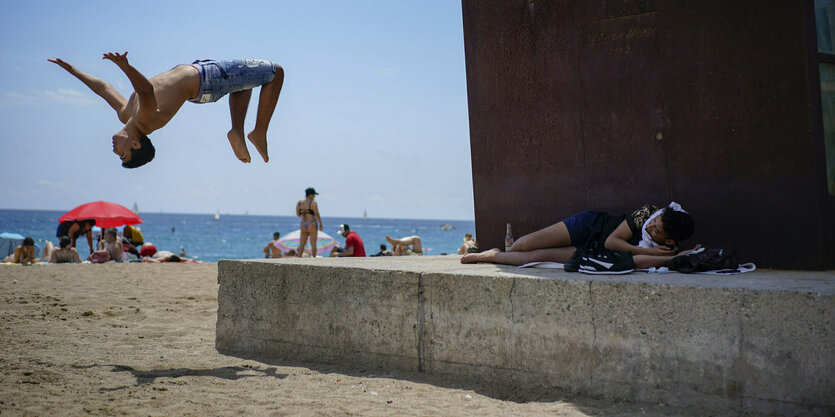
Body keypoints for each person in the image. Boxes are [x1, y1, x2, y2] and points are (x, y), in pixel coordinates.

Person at [49, 51, 284, 167]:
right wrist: (126, 67)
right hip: (207, 78)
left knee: (244, 83)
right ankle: (258, 132)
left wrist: (72, 70)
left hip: (205, 82)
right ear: (135, 144)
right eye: (123, 154)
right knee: (276, 72)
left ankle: (238, 132)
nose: (114, 151)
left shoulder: (126, 114)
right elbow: (147, 92)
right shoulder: (145, 119)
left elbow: (103, 88)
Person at [460, 202, 698, 270]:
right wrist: (648, 250)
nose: (650, 228)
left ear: (669, 241)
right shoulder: (645, 213)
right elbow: (613, 241)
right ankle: (500, 254)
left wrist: (668, 257)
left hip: (592, 254)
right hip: (590, 227)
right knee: (522, 244)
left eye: (656, 231)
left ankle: (490, 255)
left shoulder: (667, 250)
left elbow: (635, 261)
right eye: (654, 222)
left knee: (529, 258)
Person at [296, 188, 322, 257]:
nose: (314, 196)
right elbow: (316, 214)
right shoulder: (313, 202)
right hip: (311, 223)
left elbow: (298, 214)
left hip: (303, 223)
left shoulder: (299, 202)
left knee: (302, 244)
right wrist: (320, 224)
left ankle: (299, 258)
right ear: (310, 195)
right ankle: (314, 258)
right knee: (313, 244)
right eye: (313, 195)